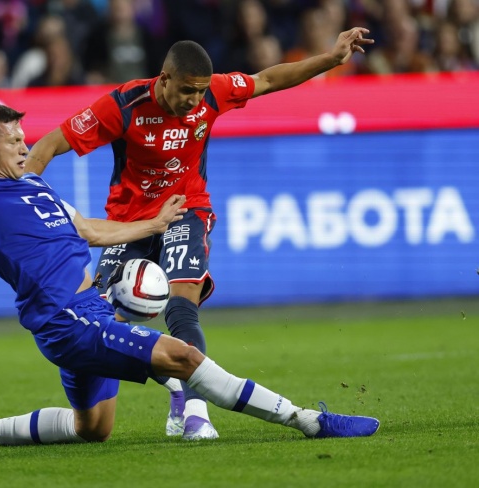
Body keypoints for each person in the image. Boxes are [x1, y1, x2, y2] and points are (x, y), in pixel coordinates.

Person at [0, 104, 379, 449]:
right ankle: (309, 421)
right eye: (14, 141)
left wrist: (154, 221)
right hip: (66, 320)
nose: (25, 147)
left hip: (87, 312)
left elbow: (91, 230)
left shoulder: (38, 188)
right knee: (182, 357)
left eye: (24, 138)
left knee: (94, 429)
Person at [25, 27, 374, 441]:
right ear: (164, 78)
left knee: (180, 308)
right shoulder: (122, 105)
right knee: (100, 320)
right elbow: (47, 146)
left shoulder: (214, 93)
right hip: (128, 223)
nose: (194, 100)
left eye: (200, 92)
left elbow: (267, 79)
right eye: (187, 90)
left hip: (186, 210)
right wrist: (24, 199)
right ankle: (173, 383)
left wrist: (331, 59)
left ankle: (196, 414)